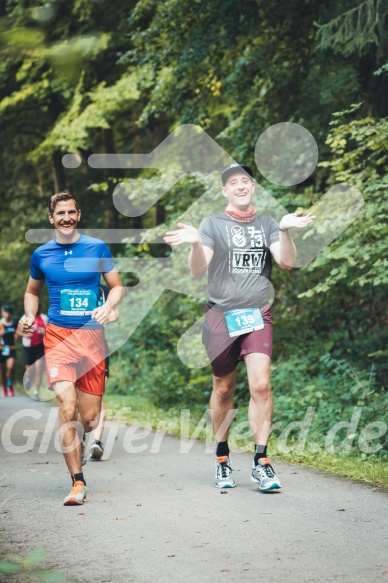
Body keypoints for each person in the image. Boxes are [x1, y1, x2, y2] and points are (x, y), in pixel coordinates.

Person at [164, 164, 314, 491]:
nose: (240, 185)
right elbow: (197, 270)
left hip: (257, 313)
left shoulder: (268, 224)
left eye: (245, 180)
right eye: (233, 182)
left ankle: (261, 462)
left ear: (253, 187)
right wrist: (193, 244)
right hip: (221, 315)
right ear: (224, 191)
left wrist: (286, 230)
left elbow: (287, 262)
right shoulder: (212, 224)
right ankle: (221, 457)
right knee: (223, 389)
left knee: (261, 385)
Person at [19, 190, 124, 506]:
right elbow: (32, 292)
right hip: (58, 337)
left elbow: (116, 286)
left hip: (91, 339)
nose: (66, 217)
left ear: (79, 215)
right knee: (67, 407)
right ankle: (78, 482)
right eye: (59, 213)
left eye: (71, 212)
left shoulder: (96, 247)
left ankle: (83, 445)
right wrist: (29, 314)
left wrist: (109, 307)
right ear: (51, 218)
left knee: (89, 420)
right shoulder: (42, 255)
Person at [21, 306, 48, 400]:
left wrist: (45, 333)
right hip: (28, 346)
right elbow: (18, 331)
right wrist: (25, 334)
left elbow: (49, 331)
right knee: (29, 369)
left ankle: (36, 392)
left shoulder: (44, 318)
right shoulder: (25, 317)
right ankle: (28, 379)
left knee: (39, 368)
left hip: (39, 346)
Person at [0, 305, 18, 397]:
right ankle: (4, 388)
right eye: (5, 311)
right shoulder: (0, 323)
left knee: (10, 367)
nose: (7, 313)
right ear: (2, 313)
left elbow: (17, 333)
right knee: (1, 369)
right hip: (1, 349)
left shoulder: (14, 323)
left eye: (9, 311)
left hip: (11, 348)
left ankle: (10, 385)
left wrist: (18, 335)